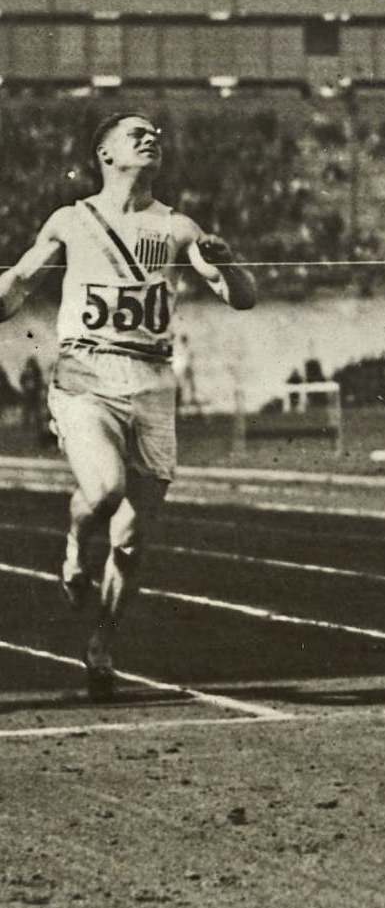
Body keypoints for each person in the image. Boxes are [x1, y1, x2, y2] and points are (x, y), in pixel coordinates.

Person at [0, 113, 257, 700]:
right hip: (87, 372)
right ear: (104, 154)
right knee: (108, 488)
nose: (151, 137)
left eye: (156, 134)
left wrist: (230, 260)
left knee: (134, 537)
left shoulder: (177, 226)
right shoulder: (72, 218)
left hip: (152, 381)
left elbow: (241, 297)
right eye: (135, 133)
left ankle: (101, 648)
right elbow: (17, 283)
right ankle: (72, 548)